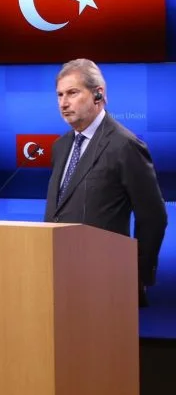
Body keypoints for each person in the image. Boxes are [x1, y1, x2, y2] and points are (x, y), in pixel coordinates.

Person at [44, 58, 167, 307]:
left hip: (105, 279)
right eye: (59, 95)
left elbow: (153, 217)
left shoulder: (124, 145)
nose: (63, 103)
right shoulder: (61, 146)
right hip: (57, 274)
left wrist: (135, 274)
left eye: (72, 93)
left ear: (98, 94)